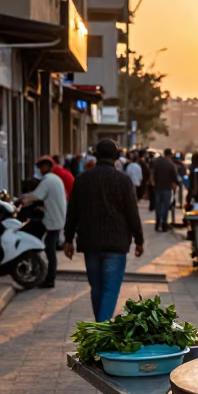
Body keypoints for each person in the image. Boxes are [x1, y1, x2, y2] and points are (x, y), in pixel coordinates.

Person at [64, 137, 144, 322]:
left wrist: (68, 239)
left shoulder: (83, 179)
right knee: (110, 288)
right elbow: (132, 213)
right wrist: (139, 240)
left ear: (96, 156)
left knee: (97, 287)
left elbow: (73, 212)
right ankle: (101, 328)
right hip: (116, 243)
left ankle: (100, 327)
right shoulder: (123, 181)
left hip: (90, 242)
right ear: (116, 157)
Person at [20, 155, 66, 288]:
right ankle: (46, 275)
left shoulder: (48, 180)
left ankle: (50, 278)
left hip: (52, 219)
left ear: (49, 167)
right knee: (49, 246)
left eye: (43, 166)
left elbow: (36, 196)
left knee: (49, 248)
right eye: (39, 167)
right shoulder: (55, 179)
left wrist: (23, 200)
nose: (40, 169)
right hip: (56, 218)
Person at [151, 148, 179, 232]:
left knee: (158, 206)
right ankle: (164, 224)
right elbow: (174, 177)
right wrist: (175, 185)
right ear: (170, 155)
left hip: (157, 187)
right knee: (165, 206)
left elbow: (152, 174)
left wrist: (153, 185)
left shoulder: (157, 162)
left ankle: (158, 223)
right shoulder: (171, 164)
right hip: (167, 188)